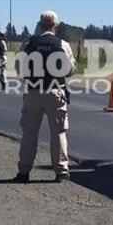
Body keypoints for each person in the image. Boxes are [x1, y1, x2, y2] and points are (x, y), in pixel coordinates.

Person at [14, 10, 76, 183]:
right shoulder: (62, 45)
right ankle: (61, 171)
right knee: (58, 133)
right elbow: (70, 70)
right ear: (55, 25)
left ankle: (24, 172)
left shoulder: (28, 43)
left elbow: (20, 69)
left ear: (40, 24)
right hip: (55, 91)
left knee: (29, 133)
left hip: (33, 92)